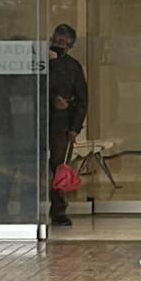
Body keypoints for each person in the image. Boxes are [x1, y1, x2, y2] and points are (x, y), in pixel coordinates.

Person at [0, 36, 38, 222]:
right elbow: (17, 91)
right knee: (11, 173)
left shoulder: (16, 76)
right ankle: (9, 216)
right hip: (11, 129)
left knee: (19, 173)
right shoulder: (11, 75)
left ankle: (23, 216)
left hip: (23, 127)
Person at [48, 24, 88, 227]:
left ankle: (58, 210)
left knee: (60, 167)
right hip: (39, 121)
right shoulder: (41, 62)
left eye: (64, 44)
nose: (58, 46)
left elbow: (82, 100)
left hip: (62, 125)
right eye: (56, 41)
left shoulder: (73, 67)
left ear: (70, 46)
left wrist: (75, 128)